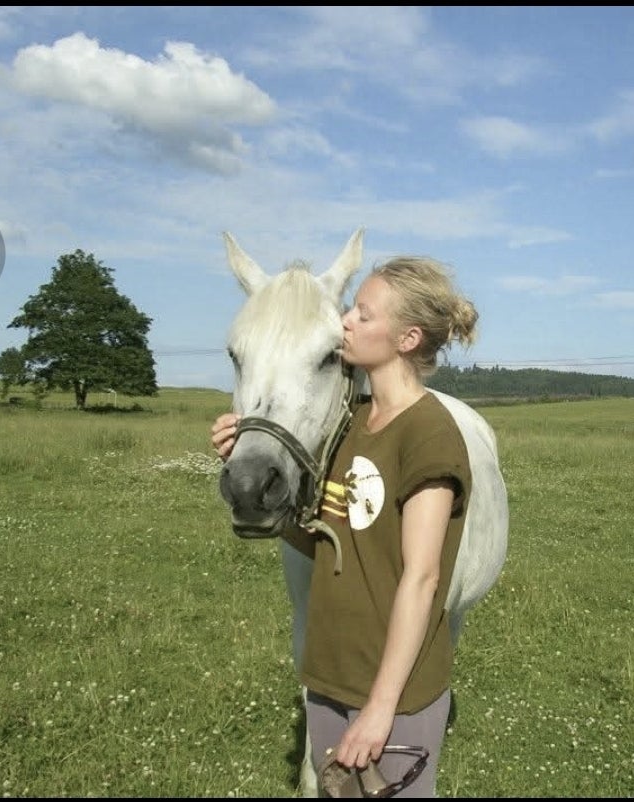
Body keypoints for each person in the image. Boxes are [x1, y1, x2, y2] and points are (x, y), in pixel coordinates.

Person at [210, 255, 479, 798]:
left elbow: (422, 579)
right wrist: (271, 496)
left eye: (362, 312)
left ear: (406, 339)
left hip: (395, 699)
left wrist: (380, 711)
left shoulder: (429, 436)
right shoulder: (348, 427)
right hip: (331, 678)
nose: (344, 322)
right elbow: (335, 537)